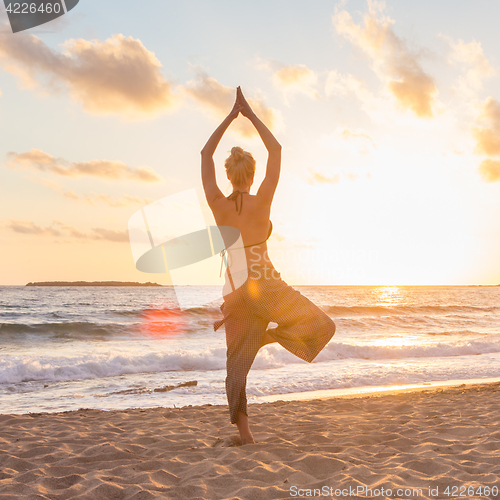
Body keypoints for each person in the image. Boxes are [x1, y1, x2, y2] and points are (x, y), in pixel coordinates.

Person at [201, 87, 336, 445]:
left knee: (236, 368)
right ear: (252, 173)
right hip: (266, 284)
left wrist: (230, 117)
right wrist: (249, 114)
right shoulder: (264, 201)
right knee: (323, 326)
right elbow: (276, 149)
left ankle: (245, 435)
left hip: (234, 290)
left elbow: (205, 153)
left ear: (228, 175)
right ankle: (268, 337)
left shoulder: (218, 203)